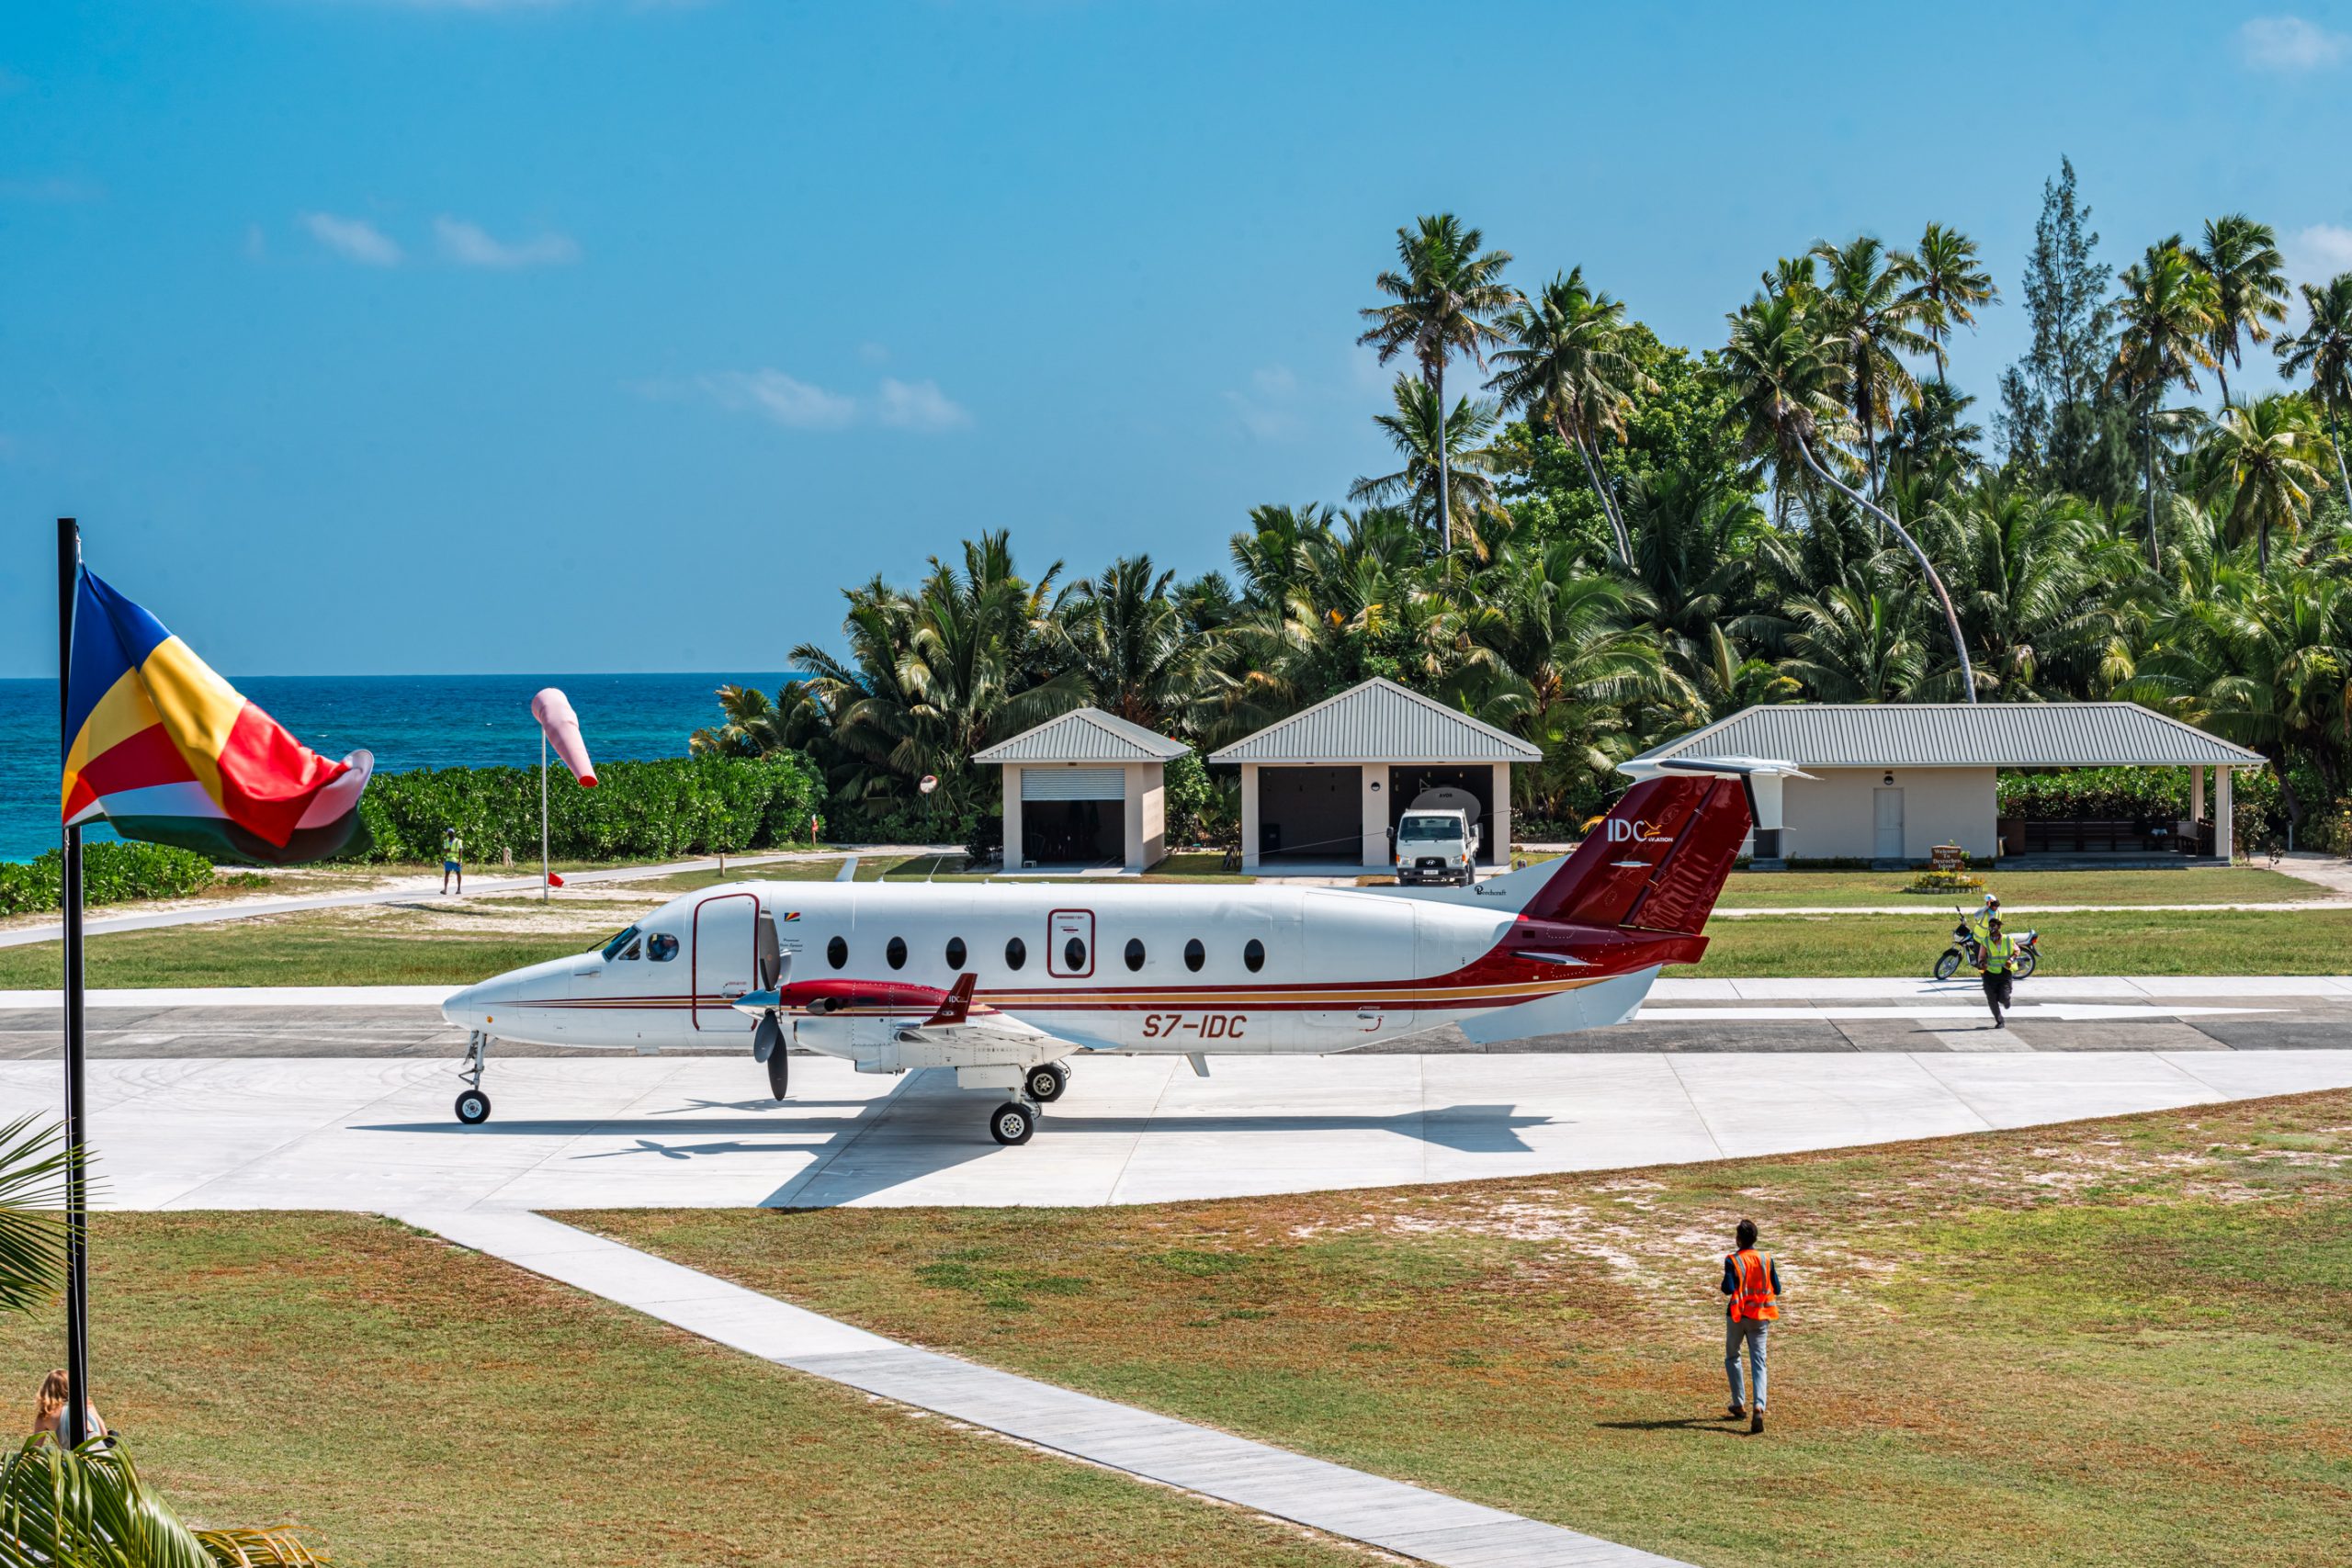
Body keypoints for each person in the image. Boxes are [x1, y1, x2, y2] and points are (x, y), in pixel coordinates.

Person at [1721, 1218, 1781, 1434]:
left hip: (1737, 1315)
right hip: (1760, 1316)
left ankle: (1738, 1402)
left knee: (1732, 1356)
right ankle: (1759, 1405)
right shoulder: (1766, 1259)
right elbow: (1777, 1287)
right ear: (1755, 1238)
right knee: (1759, 1362)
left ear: (1738, 1240)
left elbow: (1727, 1288)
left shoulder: (1733, 1260)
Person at [31, 1370, 104, 1446]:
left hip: (72, 1457)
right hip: (100, 1454)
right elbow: (103, 1433)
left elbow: (35, 1448)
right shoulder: (87, 1405)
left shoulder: (46, 1415)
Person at [1976, 915, 2018, 1027]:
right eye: (1990, 926)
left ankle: (2006, 1000)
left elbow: (2016, 951)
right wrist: (1982, 964)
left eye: (1993, 926)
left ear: (1999, 927)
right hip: (1989, 974)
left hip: (2005, 972)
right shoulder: (1986, 941)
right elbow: (1981, 957)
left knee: (2003, 998)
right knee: (1991, 998)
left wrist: (2011, 959)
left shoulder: (2008, 939)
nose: (1991, 928)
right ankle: (2000, 1021)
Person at [441, 827, 463, 896]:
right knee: (446, 874)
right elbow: (445, 850)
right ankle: (445, 889)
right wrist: (447, 850)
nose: (450, 834)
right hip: (448, 859)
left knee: (458, 874)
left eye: (451, 833)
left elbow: (460, 850)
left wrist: (459, 860)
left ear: (453, 833)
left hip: (456, 860)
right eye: (449, 833)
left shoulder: (458, 841)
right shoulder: (446, 841)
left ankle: (459, 889)